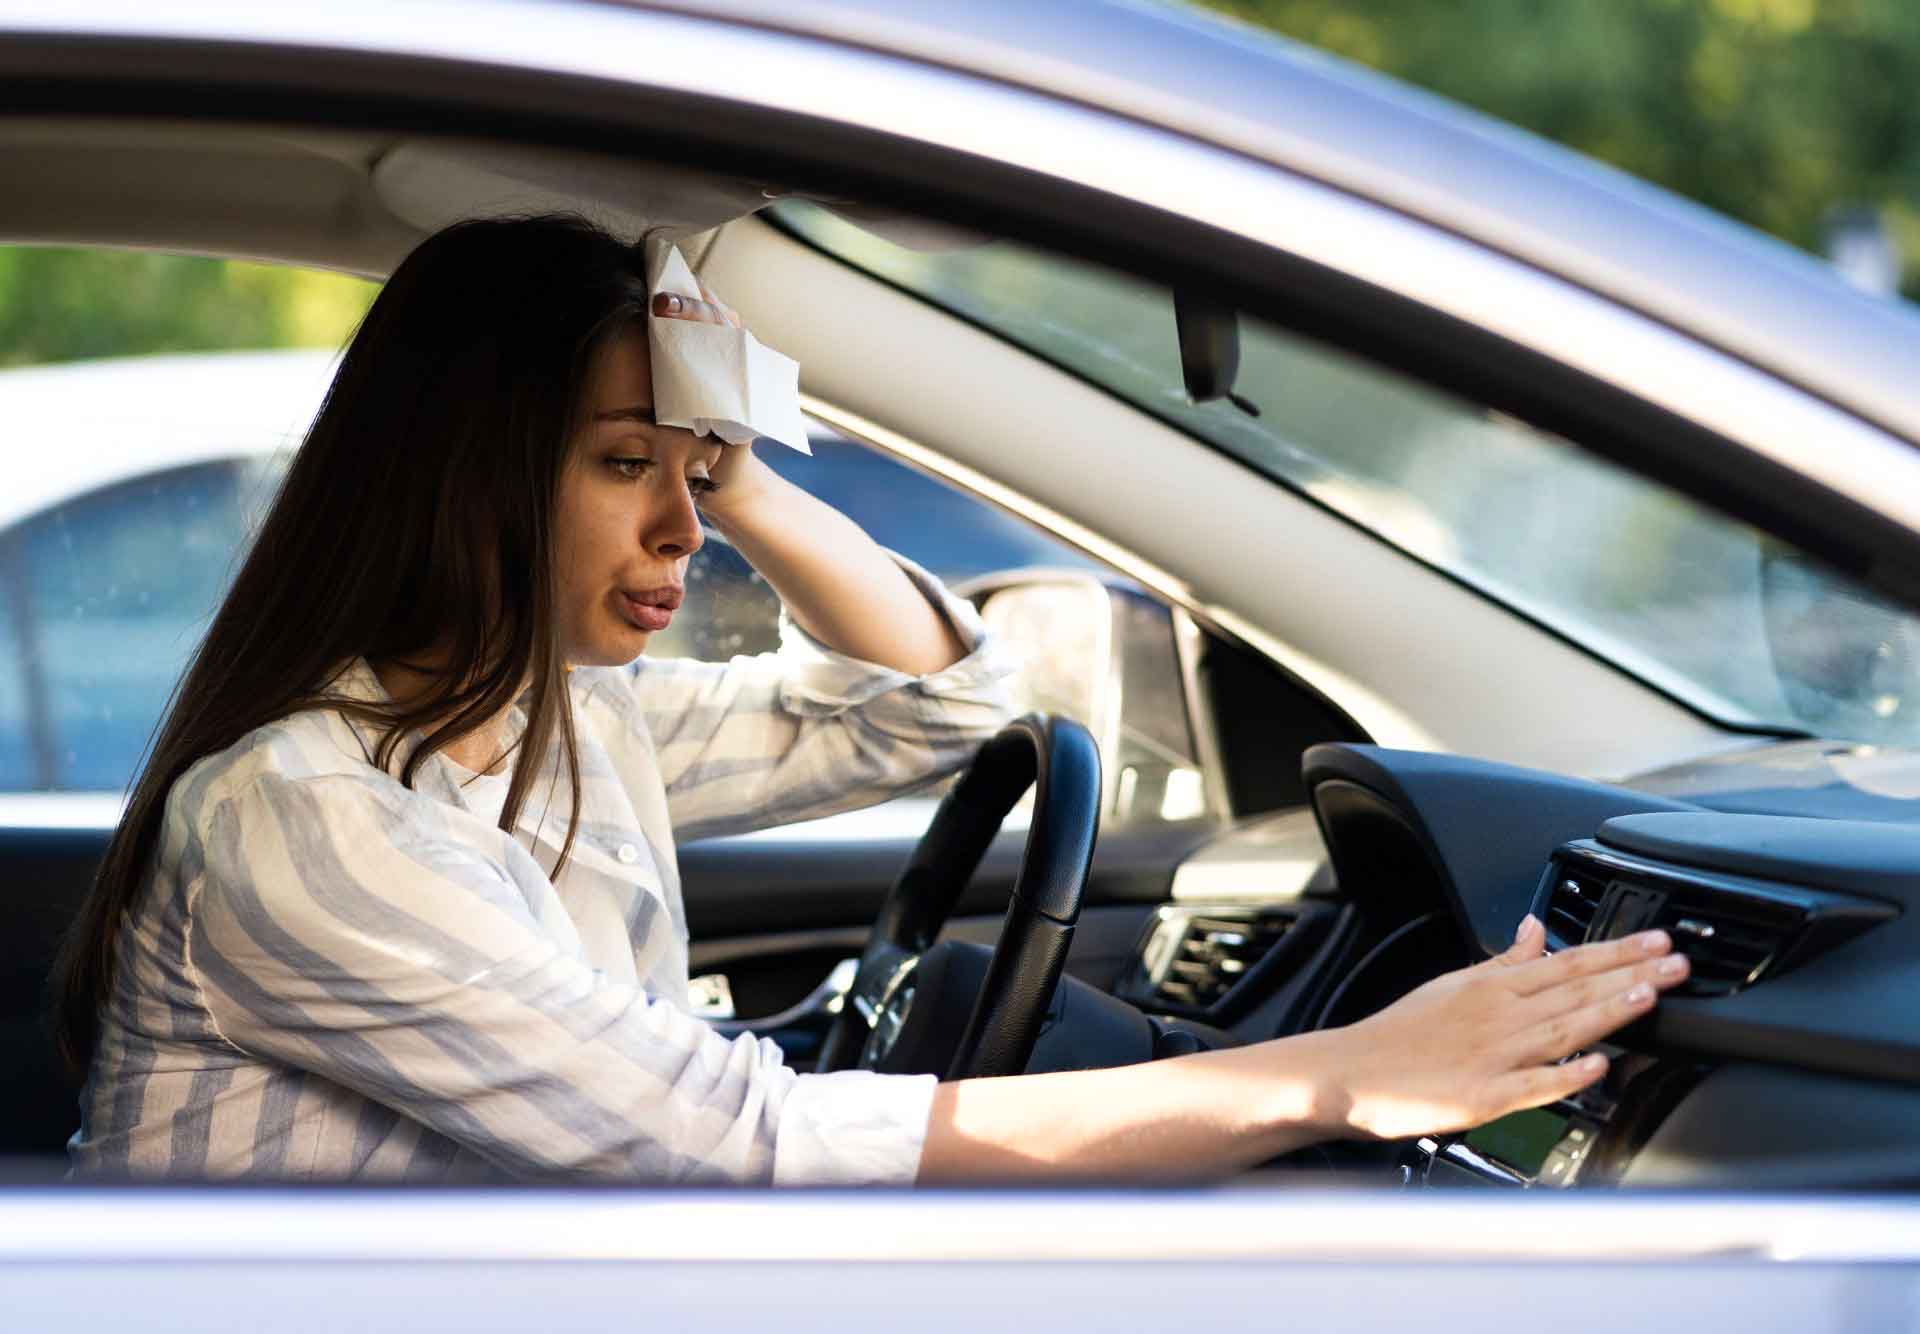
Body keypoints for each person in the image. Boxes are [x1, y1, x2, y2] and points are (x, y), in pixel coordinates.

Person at [53, 214, 1689, 1185]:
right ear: (465, 477)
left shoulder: (551, 721)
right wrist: (1337, 1076)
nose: (682, 529)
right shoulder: (309, 817)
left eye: (693, 472)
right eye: (627, 465)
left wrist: (737, 460)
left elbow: (928, 706)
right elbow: (724, 1145)